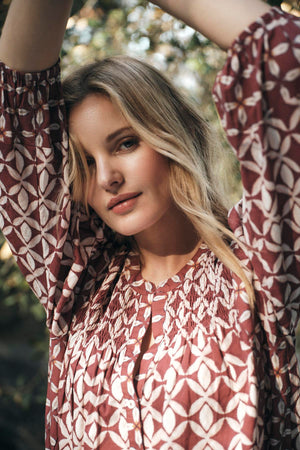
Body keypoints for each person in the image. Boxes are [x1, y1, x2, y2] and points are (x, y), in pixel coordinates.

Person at [0, 0, 299, 448]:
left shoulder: (254, 265)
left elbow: (284, 56)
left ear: (170, 136)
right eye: (85, 162)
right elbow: (14, 109)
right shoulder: (76, 283)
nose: (106, 178)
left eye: (124, 144)